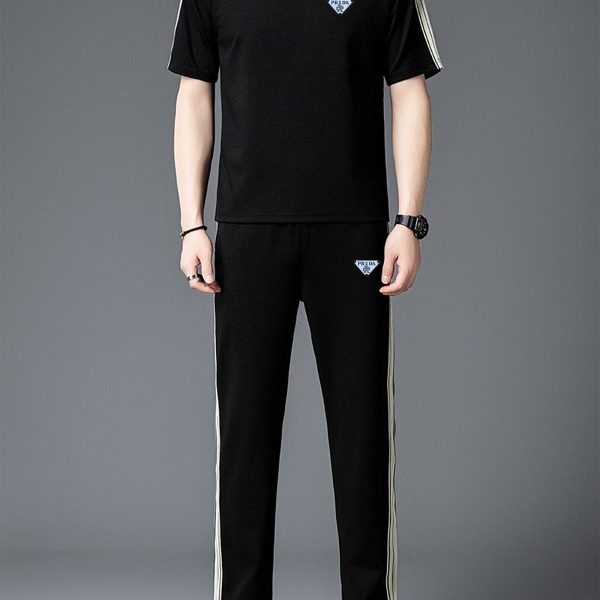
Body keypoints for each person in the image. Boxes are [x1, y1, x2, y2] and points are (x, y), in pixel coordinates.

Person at [167, 0, 444, 596]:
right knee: (244, 441)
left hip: (353, 235)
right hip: (247, 235)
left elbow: (409, 89)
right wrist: (192, 223)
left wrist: (409, 221)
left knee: (363, 437)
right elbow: (194, 90)